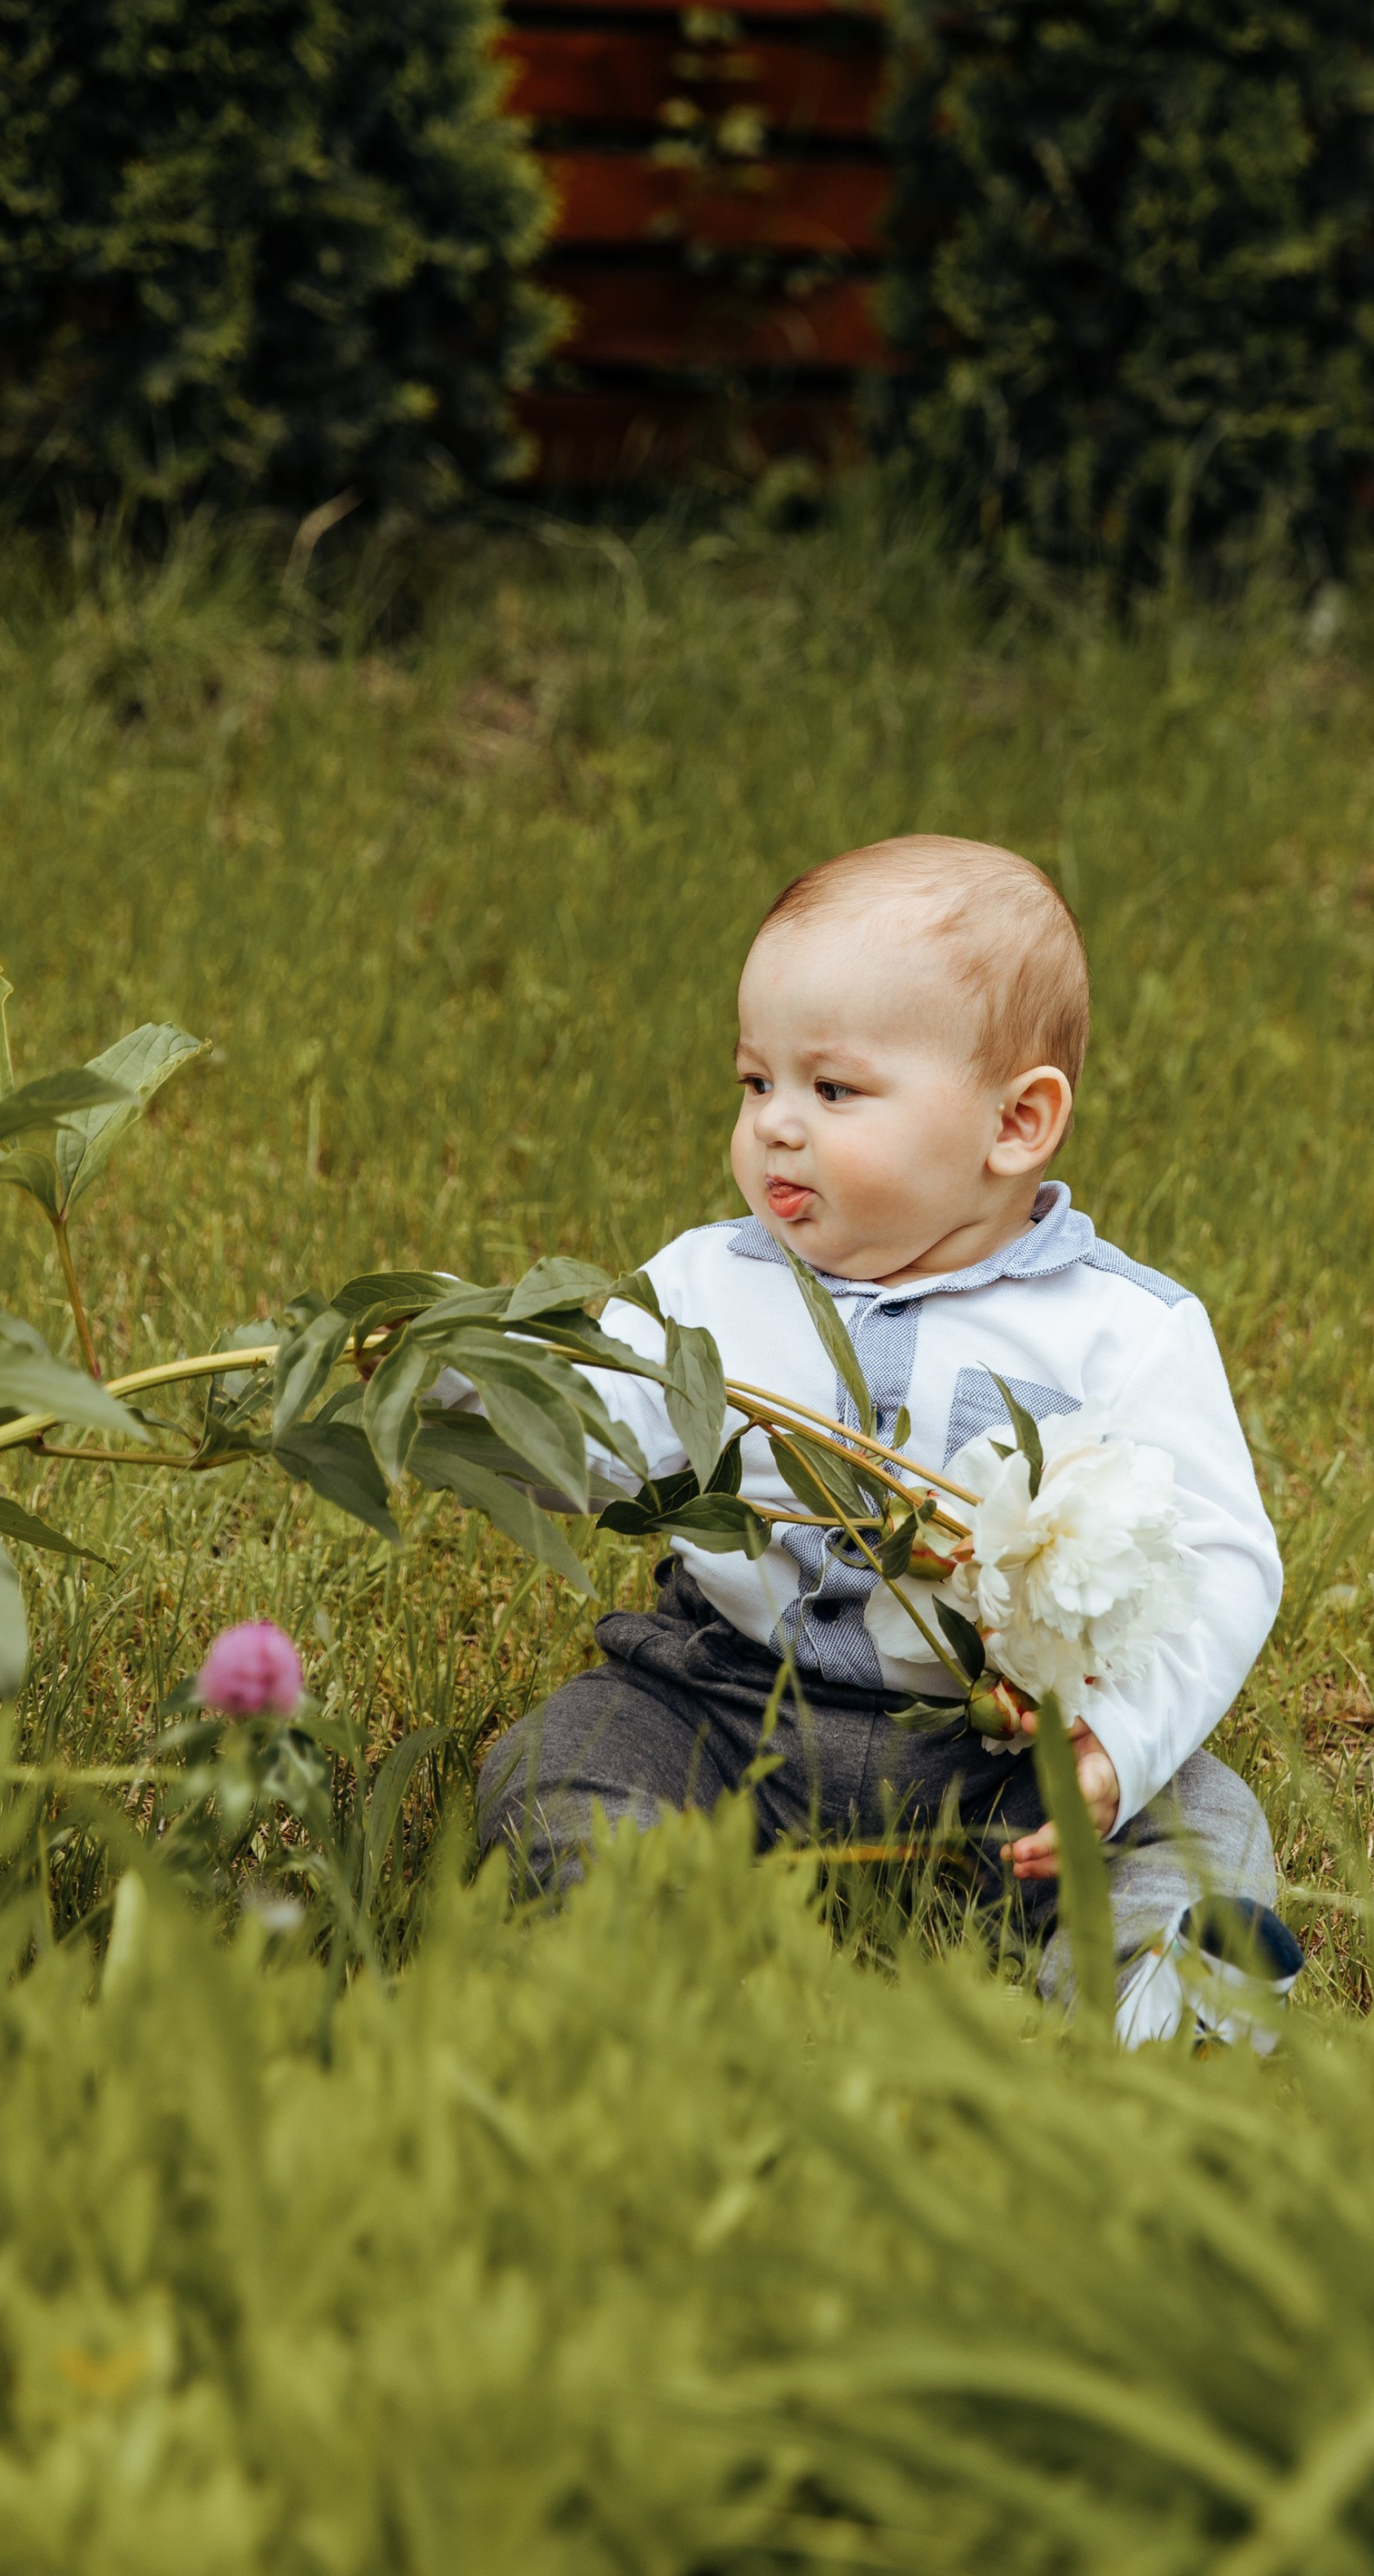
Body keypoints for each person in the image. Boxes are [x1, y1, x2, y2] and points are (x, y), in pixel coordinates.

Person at [470, 832, 1288, 2042]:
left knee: (1202, 1818)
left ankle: (1153, 1989)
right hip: (723, 1702)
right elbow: (601, 1436)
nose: (775, 1129)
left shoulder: (1124, 1330)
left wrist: (1112, 1749)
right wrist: (477, 1392)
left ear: (1017, 1123)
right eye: (757, 1084)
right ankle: (649, 1952)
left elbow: (1220, 1563)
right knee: (561, 1761)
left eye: (832, 1090)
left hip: (1004, 1747)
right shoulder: (703, 1288)